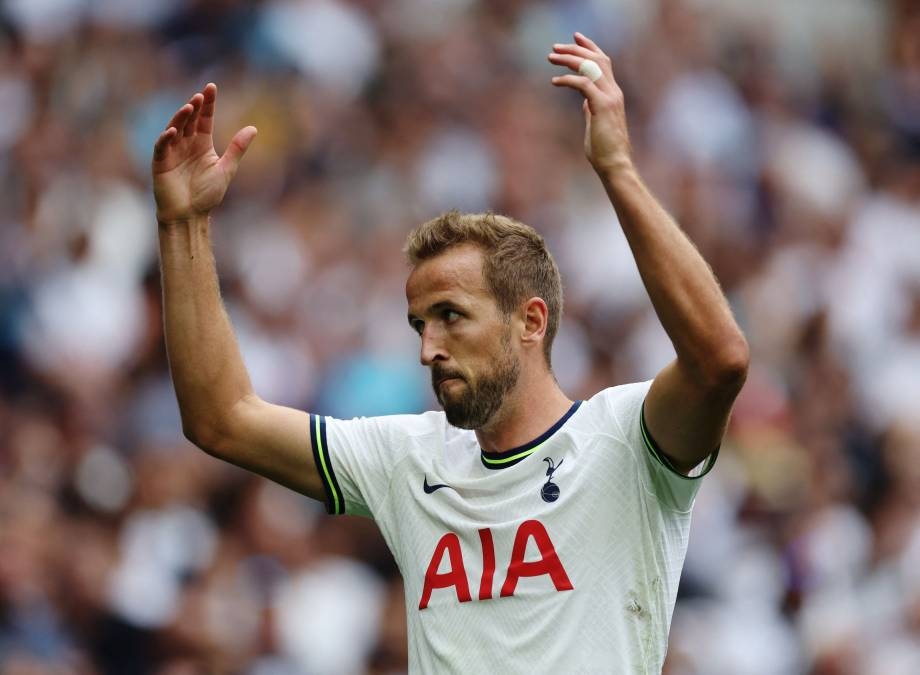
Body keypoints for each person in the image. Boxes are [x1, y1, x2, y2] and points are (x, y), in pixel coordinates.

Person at [152, 33, 748, 674]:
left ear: (531, 320)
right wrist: (183, 224)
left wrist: (618, 169)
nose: (428, 349)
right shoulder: (408, 460)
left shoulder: (628, 443)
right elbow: (222, 418)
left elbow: (719, 360)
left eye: (451, 318)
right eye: (418, 325)